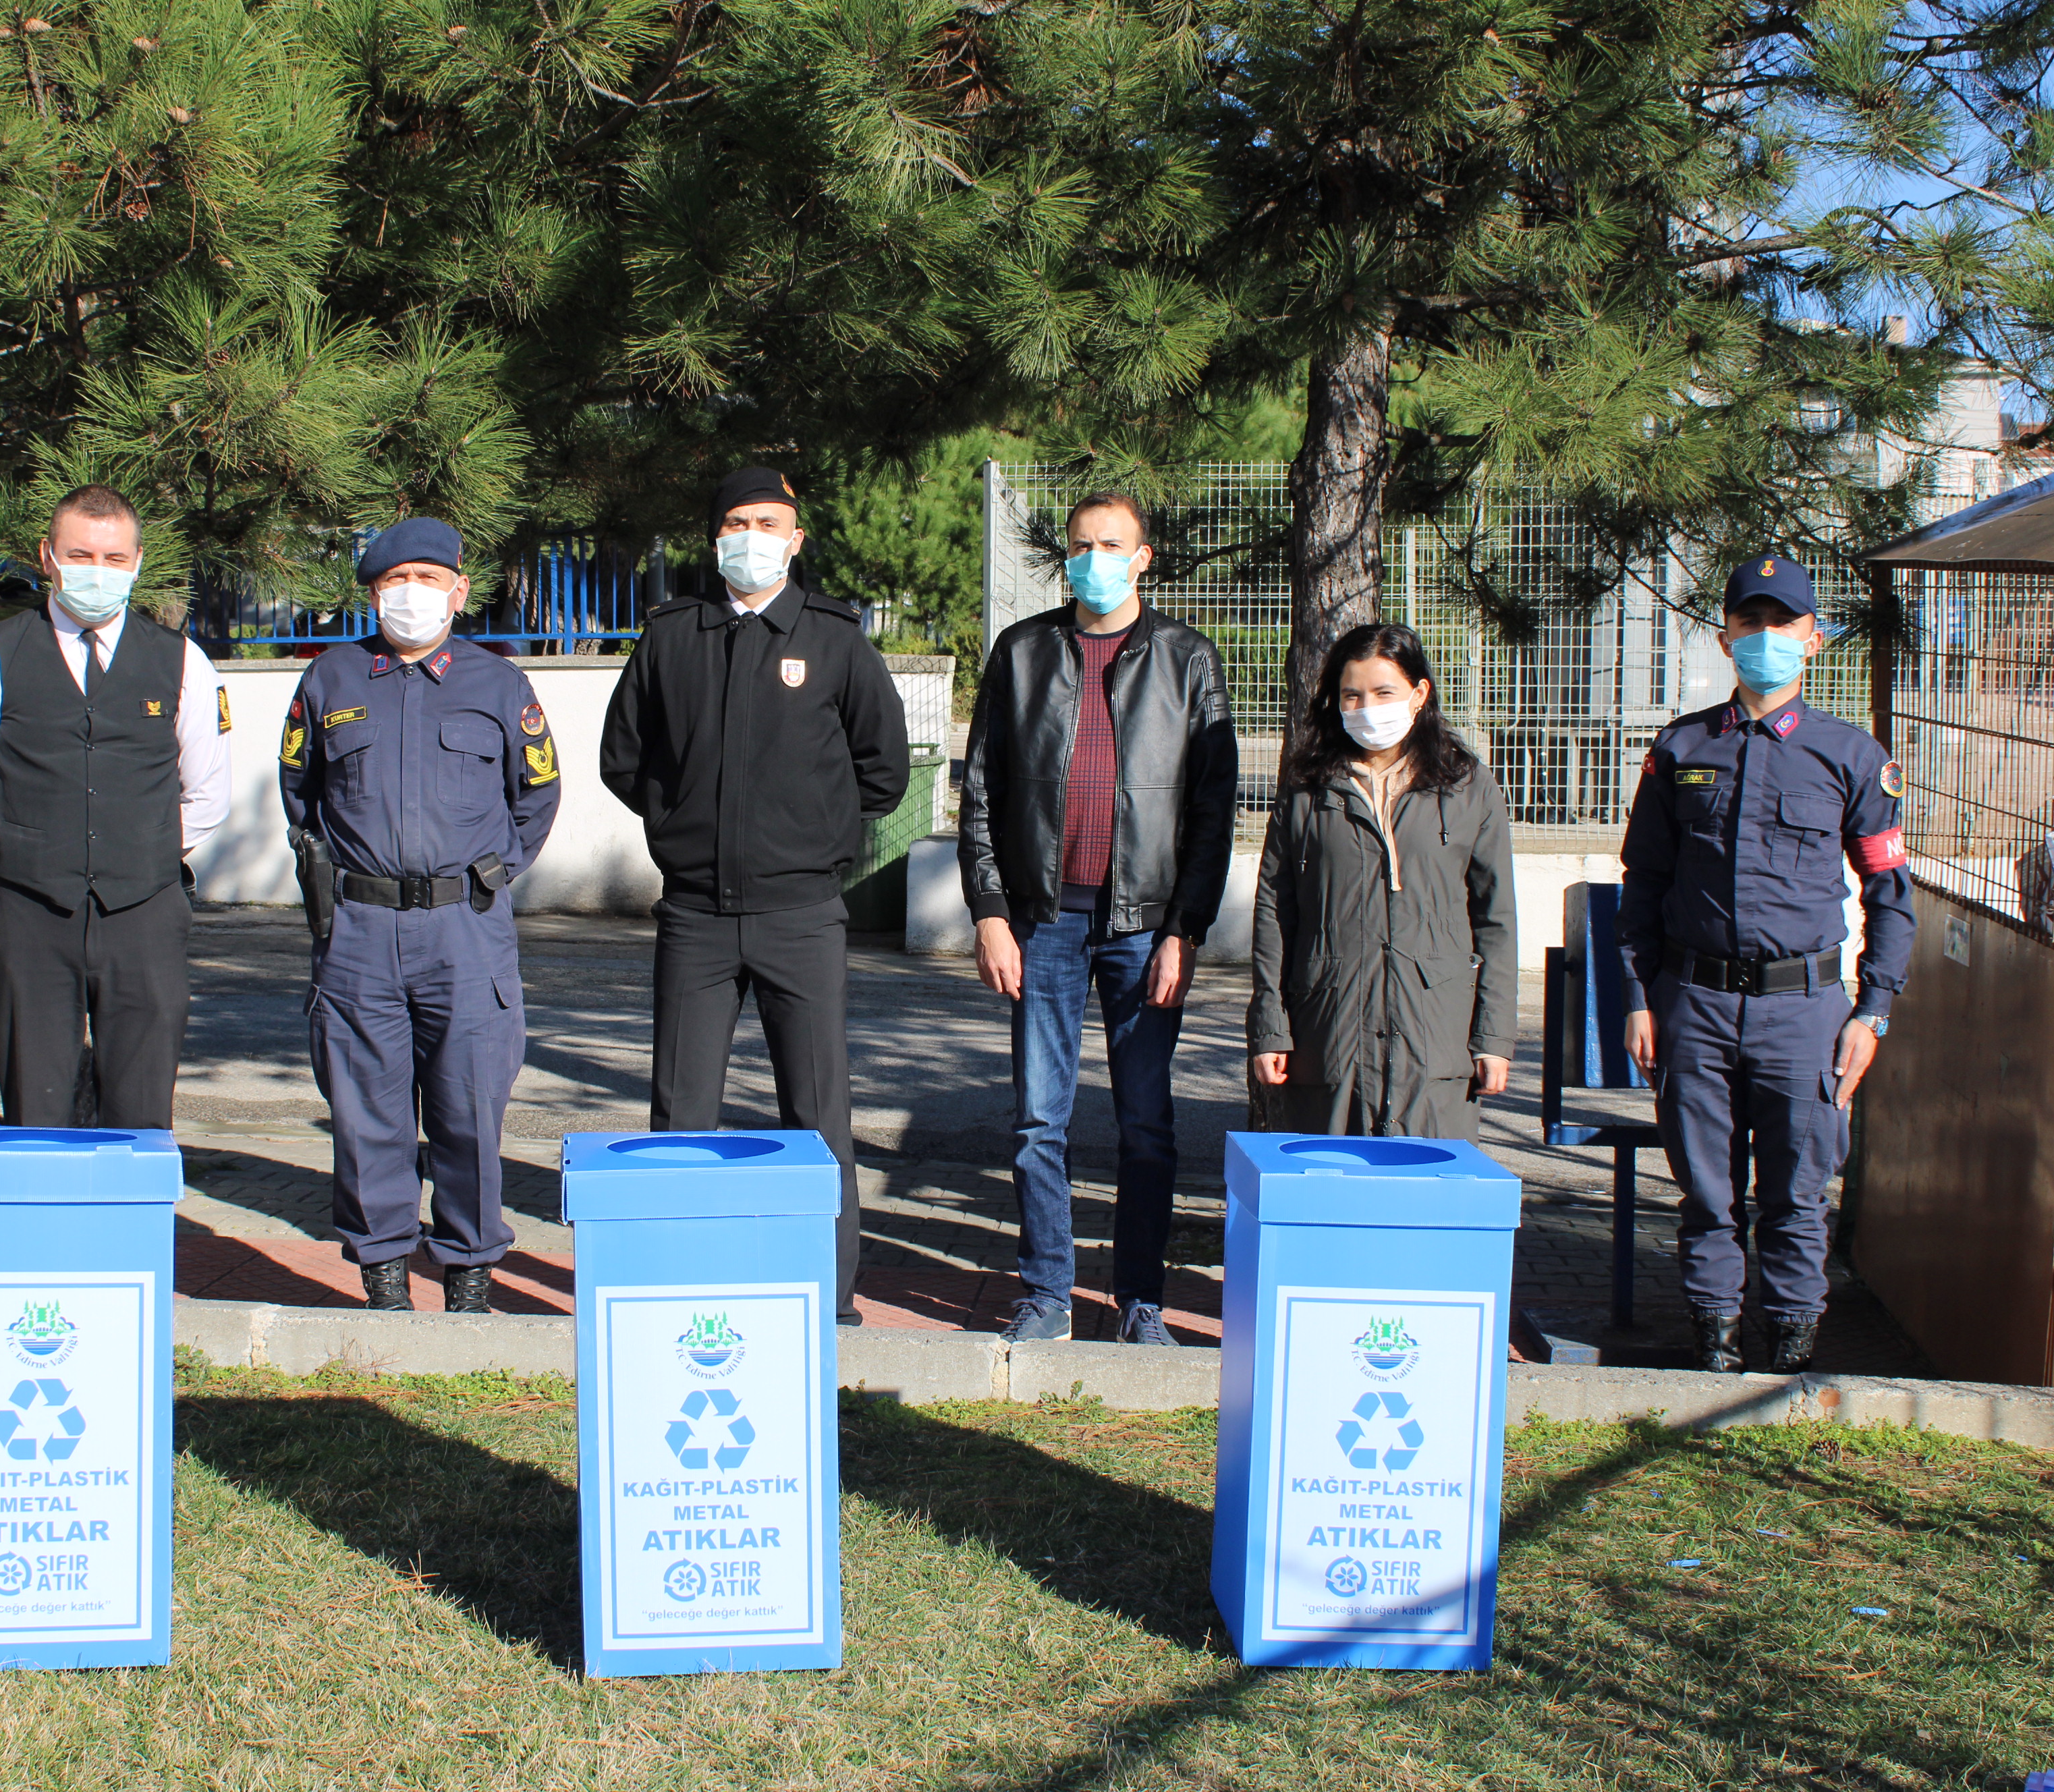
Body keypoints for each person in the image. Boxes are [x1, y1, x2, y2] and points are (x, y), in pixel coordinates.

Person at [599, 467, 908, 1324]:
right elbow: (623, 758)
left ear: (797, 537)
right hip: (695, 916)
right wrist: (683, 820)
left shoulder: (838, 638)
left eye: (768, 520)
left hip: (802, 917)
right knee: (681, 1117)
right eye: (736, 520)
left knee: (816, 1115)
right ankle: (673, 1289)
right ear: (714, 537)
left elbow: (883, 768)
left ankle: (831, 1298)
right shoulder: (672, 635)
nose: (752, 534)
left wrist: (816, 836)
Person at [1618, 553, 1914, 1376]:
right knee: (1708, 1195)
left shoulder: (1852, 757)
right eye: (1750, 622)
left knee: (1795, 1194)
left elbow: (1890, 896)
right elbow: (1644, 882)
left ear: (1813, 641)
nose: (1766, 638)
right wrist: (1642, 998)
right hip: (1696, 1004)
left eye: (1783, 623)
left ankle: (1788, 1353)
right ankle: (1713, 1345)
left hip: (1805, 1012)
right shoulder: (1681, 749)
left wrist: (1874, 1010)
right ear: (1725, 637)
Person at [958, 493, 1238, 1346]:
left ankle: (1139, 1301)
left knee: (1146, 1124)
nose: (1094, 557)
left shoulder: (1187, 659)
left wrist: (1184, 929)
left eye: (1111, 544)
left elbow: (1211, 808)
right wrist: (991, 911)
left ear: (1143, 556)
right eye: (1081, 544)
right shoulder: (1022, 651)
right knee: (1038, 1120)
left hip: (1144, 929)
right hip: (1042, 923)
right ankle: (1046, 1293)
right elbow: (980, 792)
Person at [278, 517, 561, 1312]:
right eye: (395, 581)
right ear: (372, 593)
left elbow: (536, 793)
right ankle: (385, 1280)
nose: (412, 594)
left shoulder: (500, 684)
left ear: (459, 591)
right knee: (368, 1115)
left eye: (429, 579)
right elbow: (299, 791)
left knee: (470, 1106)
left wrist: (493, 871)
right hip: (360, 930)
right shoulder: (331, 679)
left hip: (464, 929)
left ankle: (470, 1275)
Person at [0, 485, 231, 1129]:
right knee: (37, 1110)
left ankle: (132, 1229)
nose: (97, 571)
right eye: (80, 554)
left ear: (138, 562)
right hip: (30, 916)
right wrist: (14, 851)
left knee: (142, 1115)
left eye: (114, 559)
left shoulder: (184, 663)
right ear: (47, 557)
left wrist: (140, 854)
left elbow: (207, 794)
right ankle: (43, 1228)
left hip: (143, 917)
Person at [1249, 621, 1519, 1140]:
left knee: (1425, 1202)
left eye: (1383, 692)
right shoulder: (1309, 790)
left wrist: (1493, 1037)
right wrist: (1270, 1029)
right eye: (1351, 695)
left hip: (1435, 1034)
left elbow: (1496, 919)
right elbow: (1272, 914)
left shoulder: (1467, 787)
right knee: (1331, 1192)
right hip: (1329, 1031)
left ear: (1419, 694)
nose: (1366, 707)